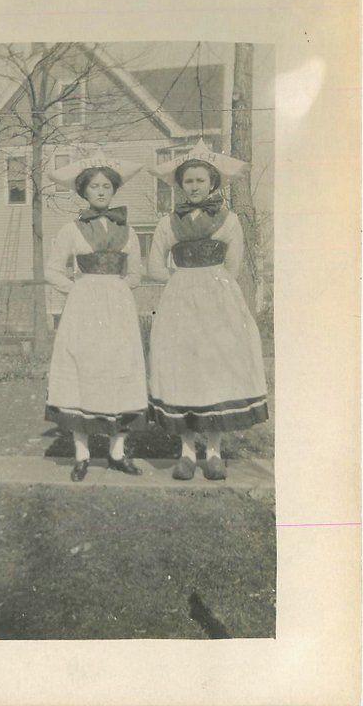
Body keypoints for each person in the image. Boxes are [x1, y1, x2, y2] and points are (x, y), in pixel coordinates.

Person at [147, 140, 268, 481]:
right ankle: (186, 452)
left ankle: (214, 452)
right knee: (184, 369)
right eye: (189, 181)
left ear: (213, 183)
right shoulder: (168, 223)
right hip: (180, 302)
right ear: (180, 185)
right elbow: (155, 265)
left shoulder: (228, 220)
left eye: (201, 180)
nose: (195, 186)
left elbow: (233, 264)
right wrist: (180, 279)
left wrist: (212, 285)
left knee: (216, 368)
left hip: (218, 302)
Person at [45, 154, 147, 482]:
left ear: (113, 191)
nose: (101, 192)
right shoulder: (70, 230)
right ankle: (82, 454)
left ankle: (118, 453)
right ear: (84, 192)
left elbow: (136, 273)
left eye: (106, 186)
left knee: (121, 367)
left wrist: (115, 290)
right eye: (94, 187)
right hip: (83, 310)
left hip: (118, 311)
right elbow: (53, 270)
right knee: (83, 368)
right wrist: (78, 291)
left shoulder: (128, 230)